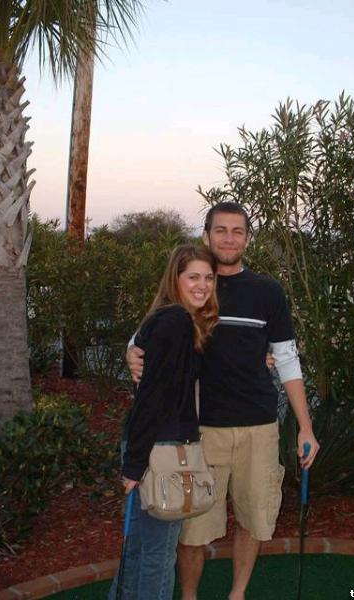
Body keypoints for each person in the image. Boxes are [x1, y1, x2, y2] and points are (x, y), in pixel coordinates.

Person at [127, 202, 320, 600]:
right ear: (206, 235)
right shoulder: (194, 284)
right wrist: (130, 350)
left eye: (237, 231)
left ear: (247, 238)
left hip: (258, 428)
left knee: (253, 519)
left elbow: (286, 358)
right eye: (220, 230)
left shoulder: (268, 292)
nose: (229, 238)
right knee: (193, 529)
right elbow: (152, 331)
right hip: (201, 431)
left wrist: (306, 427)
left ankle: (237, 594)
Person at [109, 244, 218, 600]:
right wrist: (135, 464)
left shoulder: (173, 319)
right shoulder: (175, 322)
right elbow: (152, 398)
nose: (202, 285)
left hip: (151, 445)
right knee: (158, 554)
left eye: (208, 278)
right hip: (161, 450)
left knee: (140, 548)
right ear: (176, 278)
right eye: (193, 277)